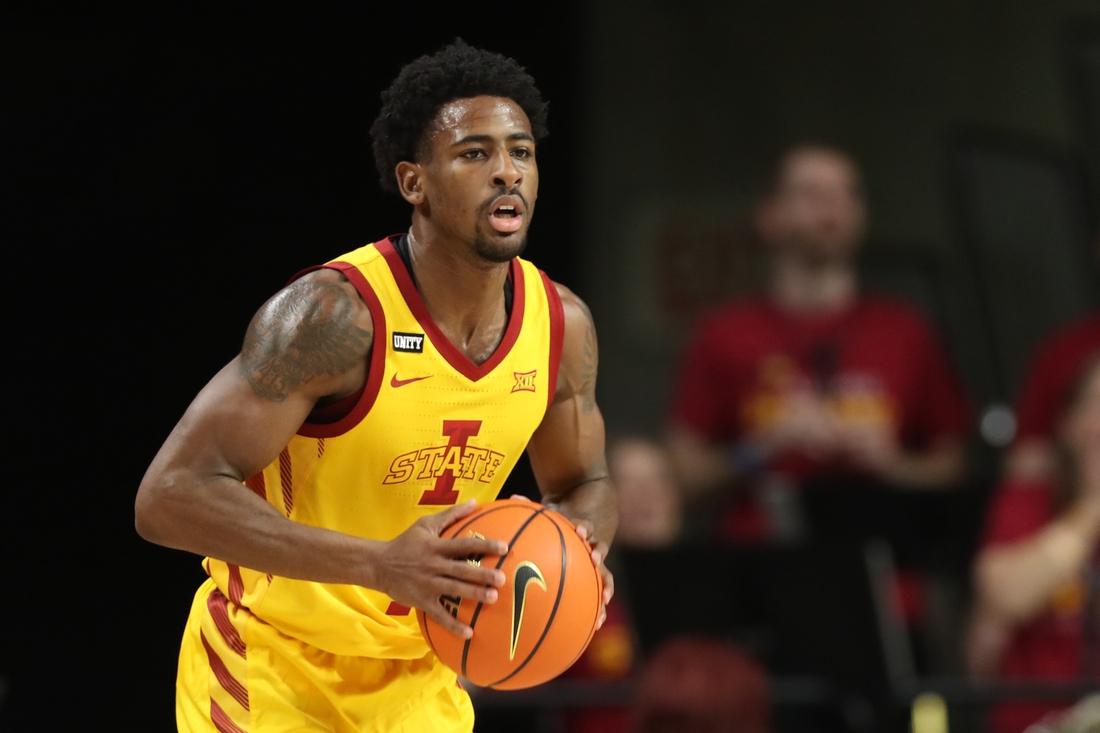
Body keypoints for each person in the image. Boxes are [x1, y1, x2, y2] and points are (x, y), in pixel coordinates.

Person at [134, 41, 616, 733]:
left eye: (520, 151)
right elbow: (168, 497)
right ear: (415, 182)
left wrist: (581, 549)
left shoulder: (560, 325)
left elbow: (585, 481)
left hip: (419, 677)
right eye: (474, 153)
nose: (507, 171)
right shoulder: (334, 316)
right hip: (272, 666)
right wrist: (381, 564)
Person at [666, 143, 970, 543]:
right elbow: (680, 477)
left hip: (884, 570)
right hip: (762, 567)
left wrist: (891, 464)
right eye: (812, 194)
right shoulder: (725, 332)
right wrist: (763, 447)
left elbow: (954, 466)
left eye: (847, 194)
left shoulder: (906, 330)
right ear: (769, 216)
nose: (832, 208)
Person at [967, 356, 1100, 733]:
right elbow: (1006, 596)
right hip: (1036, 721)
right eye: (1096, 406)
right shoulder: (1030, 500)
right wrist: (1091, 508)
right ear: (1069, 423)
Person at [563, 437, 683, 733]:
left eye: (659, 480)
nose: (648, 495)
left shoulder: (716, 593)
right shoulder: (573, 589)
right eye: (630, 483)